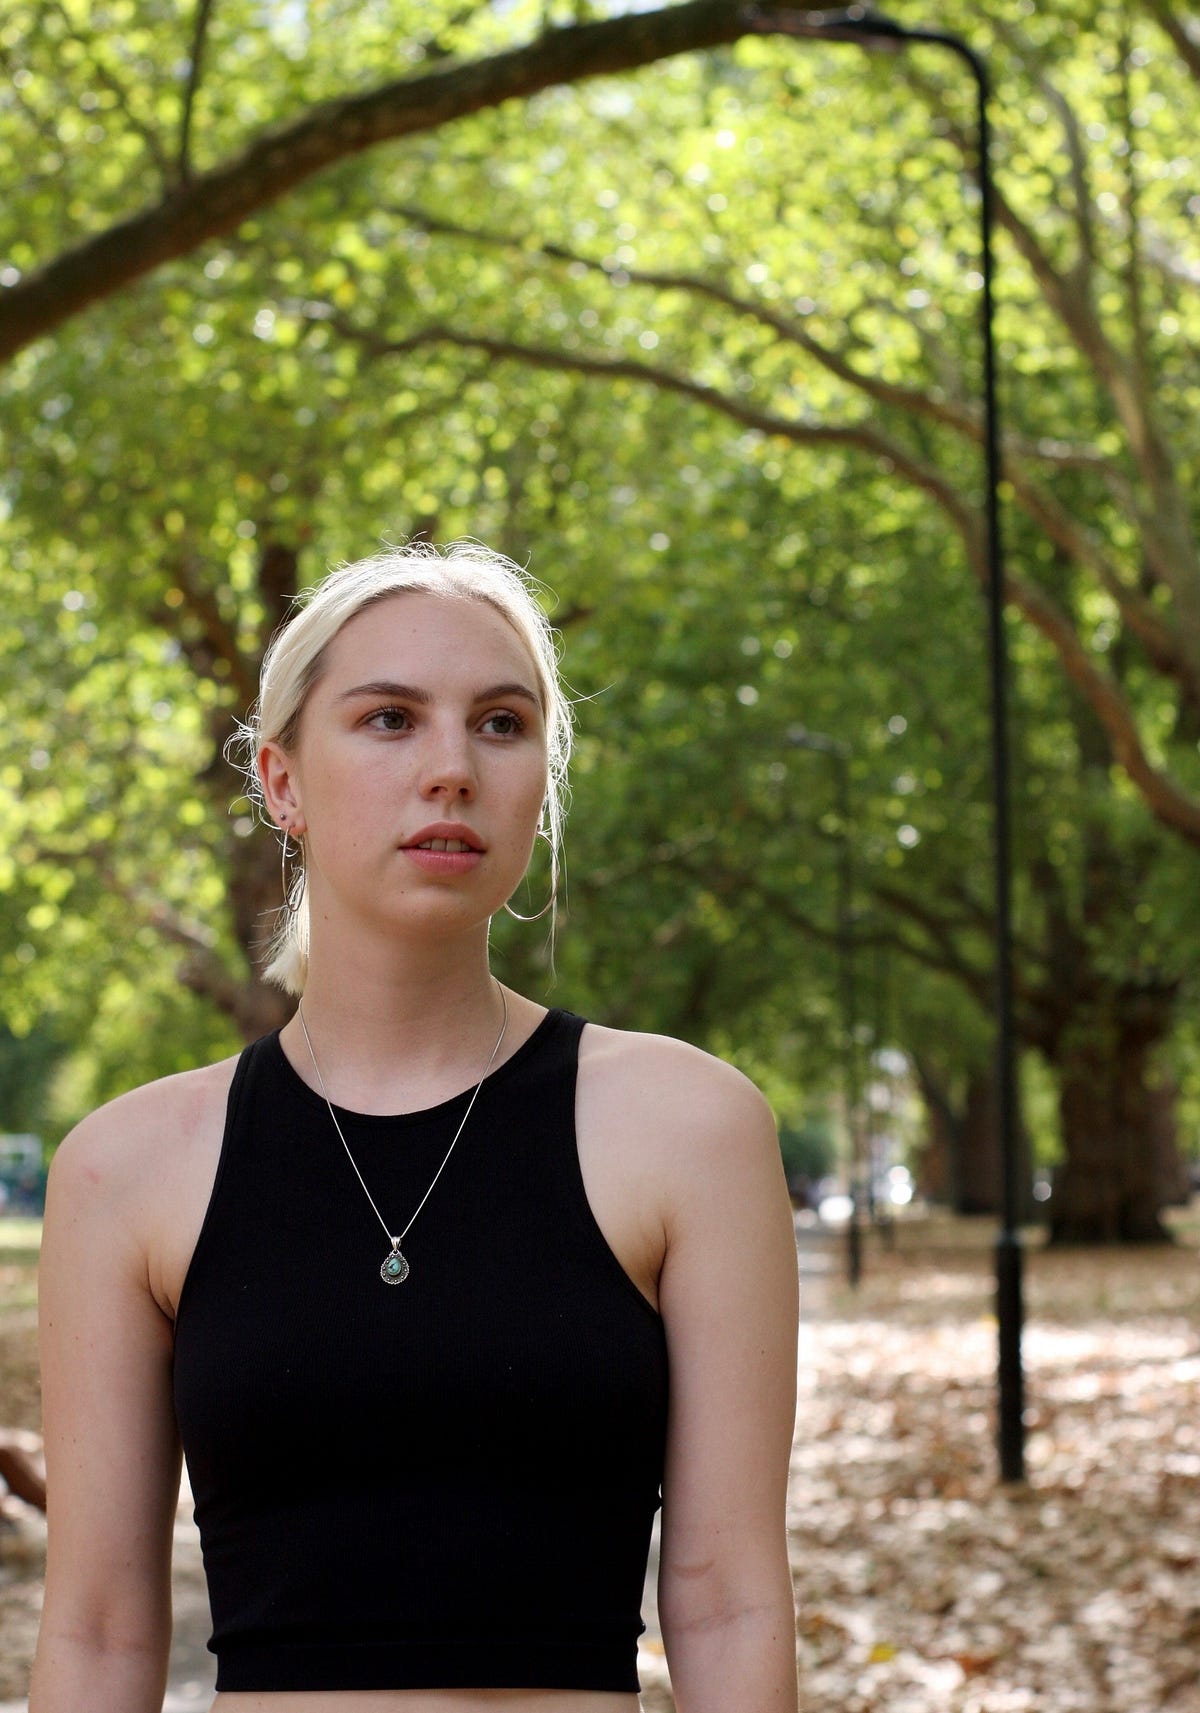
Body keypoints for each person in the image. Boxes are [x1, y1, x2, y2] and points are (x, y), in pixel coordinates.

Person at [31, 540, 800, 1713]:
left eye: (500, 723)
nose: (452, 767)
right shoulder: (125, 1168)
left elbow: (730, 1598)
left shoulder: (692, 1130)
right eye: (389, 719)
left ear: (542, 781)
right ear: (281, 781)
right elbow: (95, 1633)